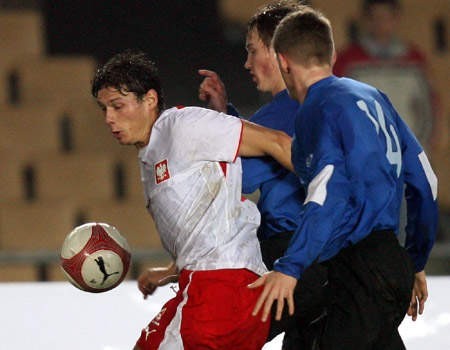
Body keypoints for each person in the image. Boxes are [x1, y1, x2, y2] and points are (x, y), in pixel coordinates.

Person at [250, 7, 439, 349]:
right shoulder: (373, 96)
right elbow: (425, 182)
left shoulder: (316, 110)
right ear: (331, 55)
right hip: (390, 261)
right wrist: (414, 260)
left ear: (283, 62)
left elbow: (328, 192)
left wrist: (291, 267)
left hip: (357, 268)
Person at [91, 50, 295, 349]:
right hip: (205, 283)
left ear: (149, 100)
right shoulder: (150, 155)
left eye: (118, 106)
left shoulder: (184, 125)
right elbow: (206, 221)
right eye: (104, 109)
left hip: (223, 287)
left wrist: (329, 192)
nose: (109, 119)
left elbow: (277, 142)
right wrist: (172, 271)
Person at [198, 1, 327, 347]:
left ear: (278, 51)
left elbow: (229, 178)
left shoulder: (286, 113)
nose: (246, 63)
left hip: (291, 254)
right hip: (336, 261)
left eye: (252, 51)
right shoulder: (332, 101)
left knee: (221, 338)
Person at [333, 0, 441, 153]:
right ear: (366, 20)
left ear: (396, 19)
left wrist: (427, 142)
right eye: (375, 18)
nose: (381, 24)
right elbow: (335, 106)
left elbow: (429, 104)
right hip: (363, 152)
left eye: (386, 17)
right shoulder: (347, 61)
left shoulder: (414, 59)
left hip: (408, 150)